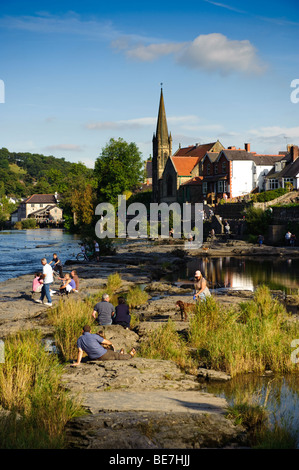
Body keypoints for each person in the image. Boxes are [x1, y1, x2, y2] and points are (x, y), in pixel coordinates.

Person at [71, 325, 136, 366]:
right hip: (103, 354)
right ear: (90, 331)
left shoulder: (79, 339)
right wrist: (111, 343)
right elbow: (107, 342)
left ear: (82, 331)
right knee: (116, 356)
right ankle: (130, 355)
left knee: (86, 358)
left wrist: (78, 362)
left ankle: (119, 352)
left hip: (93, 357)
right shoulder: (94, 336)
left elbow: (80, 351)